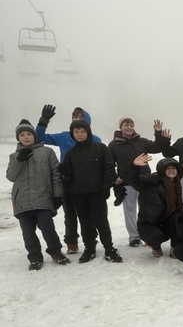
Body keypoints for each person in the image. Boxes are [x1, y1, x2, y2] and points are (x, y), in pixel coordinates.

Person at [34, 104, 102, 255]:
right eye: (74, 117)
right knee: (70, 214)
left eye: (81, 117)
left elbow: (101, 161)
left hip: (88, 182)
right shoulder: (64, 137)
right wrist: (43, 121)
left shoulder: (96, 140)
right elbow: (39, 138)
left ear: (88, 121)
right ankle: (71, 242)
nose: (77, 119)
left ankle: (90, 241)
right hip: (68, 181)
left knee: (88, 215)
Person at [7, 119, 69, 270]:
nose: (26, 137)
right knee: (28, 232)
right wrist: (19, 160)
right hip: (22, 200)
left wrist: (57, 195)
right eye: (22, 135)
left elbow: (55, 174)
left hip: (43, 197)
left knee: (47, 227)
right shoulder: (14, 156)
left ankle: (56, 252)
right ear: (18, 138)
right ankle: (34, 257)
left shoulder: (47, 152)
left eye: (29, 134)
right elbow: (11, 176)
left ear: (34, 136)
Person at [61, 120, 122, 263]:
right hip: (78, 195)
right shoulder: (71, 154)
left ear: (88, 132)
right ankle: (89, 248)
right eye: (76, 132)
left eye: (82, 131)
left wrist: (106, 187)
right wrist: (65, 176)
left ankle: (109, 248)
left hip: (97, 193)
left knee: (101, 221)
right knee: (85, 222)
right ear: (72, 134)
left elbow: (109, 168)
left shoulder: (100, 148)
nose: (80, 134)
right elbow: (67, 176)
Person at [108, 117, 166, 247]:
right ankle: (134, 237)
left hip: (144, 180)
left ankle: (147, 235)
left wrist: (158, 133)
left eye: (131, 125)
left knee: (146, 210)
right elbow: (109, 164)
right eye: (126, 125)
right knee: (130, 210)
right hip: (127, 182)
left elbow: (158, 147)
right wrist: (115, 178)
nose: (129, 127)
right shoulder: (113, 145)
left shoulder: (141, 141)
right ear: (121, 127)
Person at [126, 154, 183, 258]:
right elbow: (133, 180)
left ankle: (175, 247)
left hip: (166, 221)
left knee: (180, 219)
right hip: (149, 224)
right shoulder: (151, 181)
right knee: (155, 236)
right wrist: (134, 166)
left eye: (173, 168)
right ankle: (156, 247)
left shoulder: (179, 184)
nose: (171, 171)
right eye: (168, 169)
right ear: (162, 170)